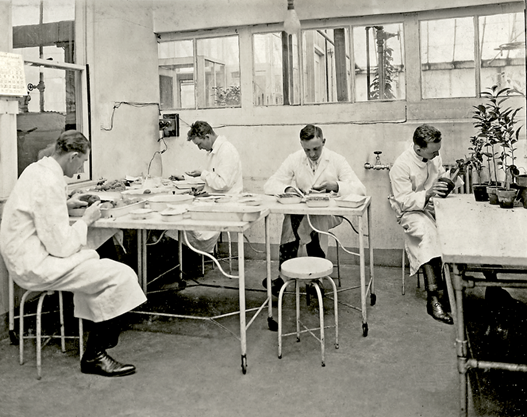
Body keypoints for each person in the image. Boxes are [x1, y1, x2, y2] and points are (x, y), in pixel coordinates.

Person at [0, 130, 147, 377]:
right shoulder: (49, 181)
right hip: (35, 264)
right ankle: (95, 356)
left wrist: (66, 204)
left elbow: (38, 208)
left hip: (26, 256)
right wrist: (86, 220)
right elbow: (61, 247)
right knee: (121, 275)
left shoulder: (37, 170)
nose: (81, 168)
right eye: (83, 162)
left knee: (98, 263)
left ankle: (96, 347)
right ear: (74, 156)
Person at [263, 124, 366, 295]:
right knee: (295, 217)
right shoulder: (295, 158)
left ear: (324, 142)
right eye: (307, 150)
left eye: (316, 149)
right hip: (304, 212)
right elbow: (270, 184)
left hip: (330, 213)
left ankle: (284, 278)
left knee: (303, 219)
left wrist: (335, 186)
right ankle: (314, 280)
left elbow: (360, 189)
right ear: (301, 146)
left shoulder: (336, 159)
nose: (312, 154)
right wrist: (287, 189)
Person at [389, 124, 462, 325]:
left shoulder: (434, 156)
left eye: (438, 150)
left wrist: (450, 179)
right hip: (410, 211)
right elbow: (403, 200)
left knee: (457, 227)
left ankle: (452, 288)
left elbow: (440, 176)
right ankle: (434, 298)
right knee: (428, 234)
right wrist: (428, 194)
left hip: (431, 207)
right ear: (418, 148)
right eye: (433, 151)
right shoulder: (401, 166)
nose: (438, 154)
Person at [169, 120, 243, 254]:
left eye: (199, 144)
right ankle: (187, 254)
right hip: (217, 198)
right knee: (180, 213)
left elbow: (223, 183)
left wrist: (203, 174)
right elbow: (212, 178)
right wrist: (187, 179)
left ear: (207, 137)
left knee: (185, 217)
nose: (199, 148)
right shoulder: (215, 151)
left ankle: (190, 254)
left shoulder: (226, 151)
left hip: (227, 202)